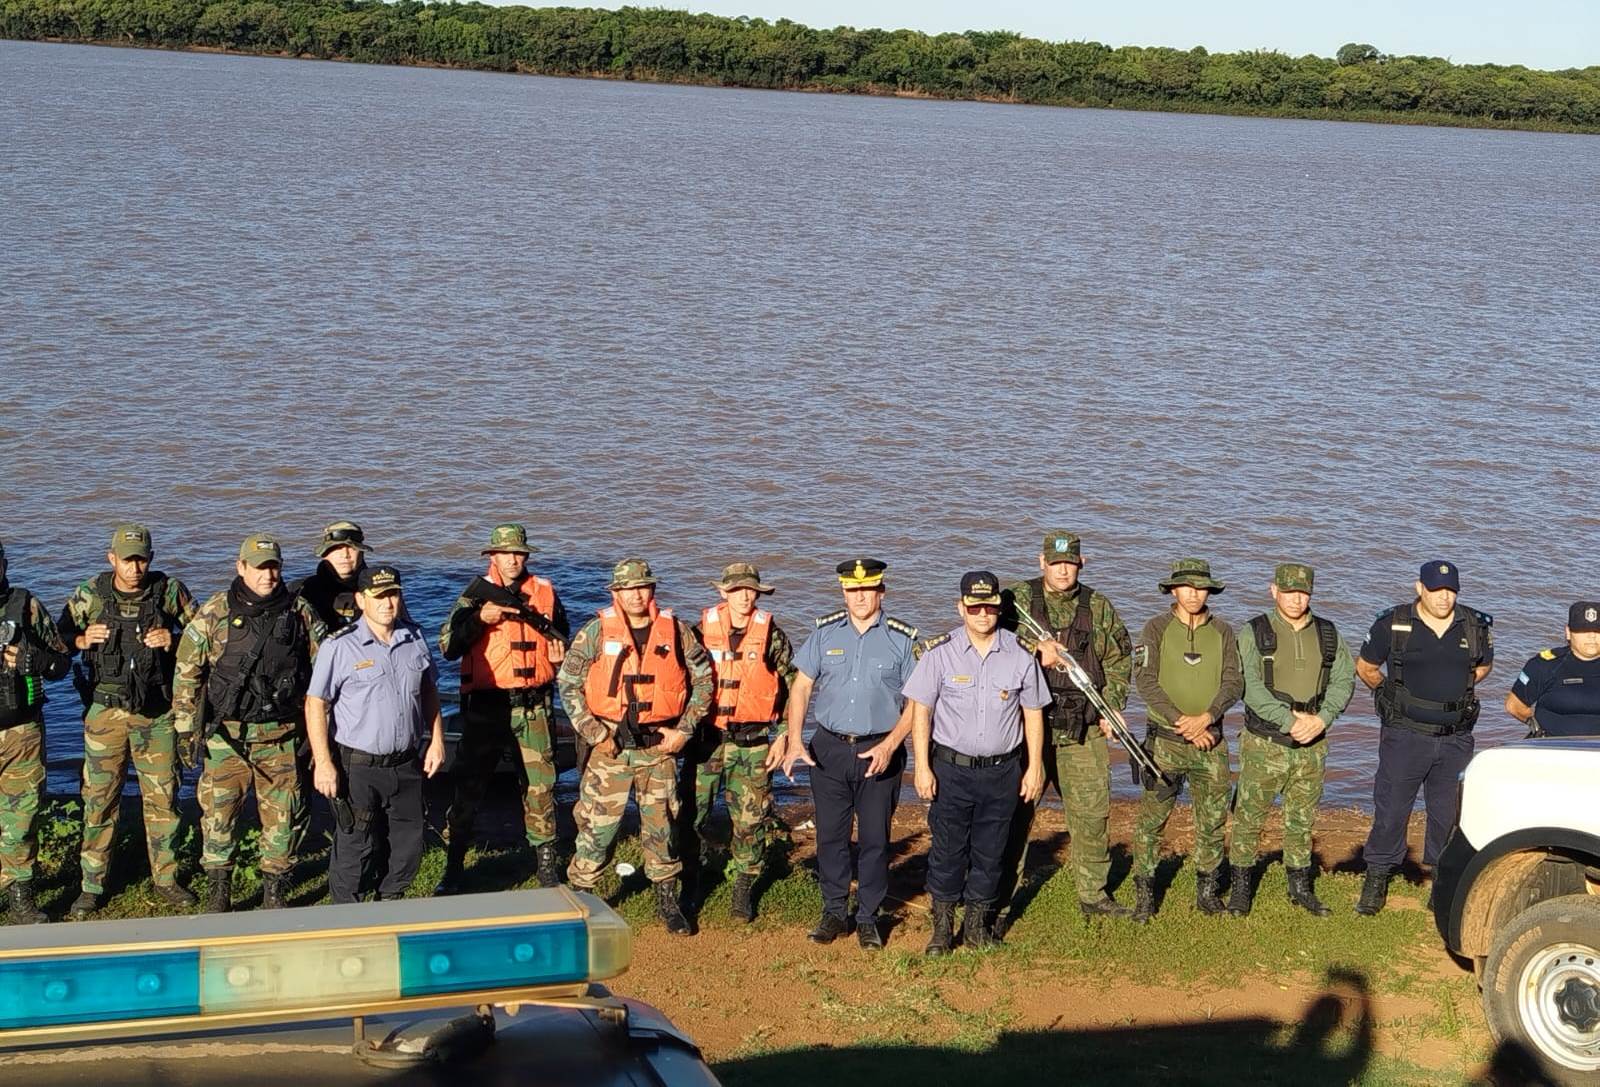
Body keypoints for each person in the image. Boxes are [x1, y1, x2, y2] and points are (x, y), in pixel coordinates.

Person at [559, 558, 713, 935]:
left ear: (652, 590)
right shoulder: (596, 632)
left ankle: (667, 900)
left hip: (658, 750)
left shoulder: (676, 632)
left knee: (663, 827)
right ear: (617, 593)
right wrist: (594, 732)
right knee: (596, 828)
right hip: (609, 749)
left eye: (642, 587)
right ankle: (580, 899)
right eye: (628, 589)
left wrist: (683, 731)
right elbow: (568, 683)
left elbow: (705, 681)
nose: (636, 595)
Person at [172, 534, 325, 913]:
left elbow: (324, 672)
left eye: (273, 567)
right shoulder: (214, 613)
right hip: (227, 738)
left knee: (283, 818)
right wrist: (186, 731)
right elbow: (187, 673)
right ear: (241, 567)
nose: (267, 575)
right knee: (218, 816)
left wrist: (320, 733)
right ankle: (219, 891)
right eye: (259, 567)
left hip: (281, 736)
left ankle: (275, 891)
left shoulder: (300, 612)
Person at [57, 523, 200, 917]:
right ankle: (92, 884)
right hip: (105, 714)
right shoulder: (90, 594)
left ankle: (166, 880)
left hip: (157, 713)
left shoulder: (169, 591)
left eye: (141, 560)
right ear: (112, 559)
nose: (135, 568)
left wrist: (174, 640)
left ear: (151, 559)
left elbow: (207, 637)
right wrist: (82, 640)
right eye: (127, 560)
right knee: (99, 800)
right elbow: (56, 642)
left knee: (163, 799)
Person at [776, 558, 917, 951]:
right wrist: (794, 739)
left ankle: (868, 917)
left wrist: (891, 744)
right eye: (853, 590)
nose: (860, 597)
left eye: (868, 589)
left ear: (881, 592)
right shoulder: (824, 633)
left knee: (875, 839)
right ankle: (834, 911)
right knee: (831, 837)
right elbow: (801, 687)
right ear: (843, 592)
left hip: (880, 751)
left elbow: (918, 703)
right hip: (829, 750)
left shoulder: (902, 639)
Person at [905, 571, 1047, 955]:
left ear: (999, 607)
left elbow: (1033, 713)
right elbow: (921, 712)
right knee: (947, 851)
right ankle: (941, 930)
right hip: (951, 770)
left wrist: (1034, 767)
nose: (983, 614)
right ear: (961, 608)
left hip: (1002, 772)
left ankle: (976, 929)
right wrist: (922, 767)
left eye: (989, 606)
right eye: (974, 607)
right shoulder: (939, 652)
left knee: (991, 852)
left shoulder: (1020, 653)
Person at [999, 530, 1134, 923]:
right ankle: (998, 902)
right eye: (1055, 563)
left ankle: (1094, 896)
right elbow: (986, 640)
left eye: (1070, 563)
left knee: (1092, 817)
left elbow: (1120, 660)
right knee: (1012, 818)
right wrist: (1033, 649)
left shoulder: (1099, 606)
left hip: (1082, 733)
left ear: (1082, 564)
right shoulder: (1014, 601)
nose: (1062, 570)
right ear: (1041, 562)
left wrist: (1112, 707)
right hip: (1025, 733)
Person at [436, 523, 570, 892]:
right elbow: (448, 646)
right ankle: (454, 865)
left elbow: (562, 638)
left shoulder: (546, 593)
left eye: (519, 553)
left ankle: (546, 867)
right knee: (469, 787)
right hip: (486, 706)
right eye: (506, 553)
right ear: (492, 556)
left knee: (541, 788)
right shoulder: (473, 597)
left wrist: (558, 656)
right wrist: (480, 620)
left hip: (534, 706)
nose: (513, 560)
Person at [1355, 561, 1492, 916]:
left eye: (1450, 591)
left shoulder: (1474, 625)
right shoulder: (1393, 623)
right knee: (1391, 809)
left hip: (1455, 737)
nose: (1443, 597)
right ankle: (1377, 877)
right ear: (1419, 588)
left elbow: (1483, 666)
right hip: (1405, 734)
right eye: (1435, 590)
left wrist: (1449, 692)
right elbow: (1366, 667)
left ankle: (1439, 883)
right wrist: (1393, 696)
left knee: (1448, 814)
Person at [305, 565, 446, 903]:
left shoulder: (414, 638)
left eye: (393, 594)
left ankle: (390, 903)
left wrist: (437, 740)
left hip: (406, 763)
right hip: (359, 766)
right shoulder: (339, 646)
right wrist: (323, 763)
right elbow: (315, 704)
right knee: (356, 844)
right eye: (379, 596)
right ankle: (347, 914)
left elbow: (428, 691)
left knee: (408, 844)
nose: (387, 603)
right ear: (360, 600)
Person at [1228, 563, 1355, 918]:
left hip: (1312, 744)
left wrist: (1322, 719)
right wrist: (1287, 720)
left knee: (1301, 819)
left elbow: (1344, 679)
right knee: (1248, 817)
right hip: (1264, 743)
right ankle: (1240, 888)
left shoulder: (1328, 633)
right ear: (1274, 591)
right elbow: (1248, 686)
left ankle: (1299, 887)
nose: (1296, 600)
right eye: (1288, 592)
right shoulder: (1254, 631)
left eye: (1303, 593)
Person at [680, 562, 796, 922]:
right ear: (722, 592)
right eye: (737, 590)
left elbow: (794, 687)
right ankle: (691, 878)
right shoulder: (699, 633)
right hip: (706, 743)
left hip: (753, 744)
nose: (745, 597)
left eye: (751, 591)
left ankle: (743, 886)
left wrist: (785, 735)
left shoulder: (772, 636)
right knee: (690, 815)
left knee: (751, 820)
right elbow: (678, 681)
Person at [1130, 558, 1243, 923]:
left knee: (1212, 821)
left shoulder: (1223, 631)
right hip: (1165, 742)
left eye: (1201, 587)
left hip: (1212, 742)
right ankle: (1145, 895)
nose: (1194, 594)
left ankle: (1207, 893)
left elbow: (1234, 682)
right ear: (1173, 590)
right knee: (1151, 821)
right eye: (1187, 587)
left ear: (1210, 591)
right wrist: (1182, 722)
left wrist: (1207, 718)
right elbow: (1145, 681)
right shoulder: (1155, 627)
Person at [0, 539, 72, 924]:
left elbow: (62, 663)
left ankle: (20, 897)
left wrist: (35, 659)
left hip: (21, 733)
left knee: (22, 819)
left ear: (4, 564)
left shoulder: (25, 605)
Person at [1505, 602, 1600, 739]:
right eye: (1583, 631)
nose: (1592, 636)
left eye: (1597, 631)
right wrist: (1537, 729)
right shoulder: (1544, 665)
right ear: (1568, 632)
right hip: (1552, 746)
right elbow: (1514, 706)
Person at [292, 521, 370, 633]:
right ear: (324, 553)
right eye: (337, 548)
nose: (345, 555)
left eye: (352, 547)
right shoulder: (301, 591)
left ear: (361, 553)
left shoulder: (379, 590)